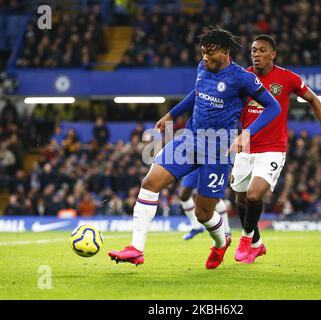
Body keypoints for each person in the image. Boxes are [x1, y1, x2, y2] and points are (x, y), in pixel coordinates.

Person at [108, 28, 281, 269]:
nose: (205, 58)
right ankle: (136, 249)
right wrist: (172, 113)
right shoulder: (203, 68)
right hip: (189, 140)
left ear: (224, 51)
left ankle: (221, 243)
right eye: (202, 53)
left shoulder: (242, 78)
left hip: (218, 149)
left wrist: (247, 133)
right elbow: (198, 93)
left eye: (209, 54)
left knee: (203, 213)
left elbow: (274, 108)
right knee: (149, 183)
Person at [231, 35, 321, 264]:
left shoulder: (287, 78)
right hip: (246, 147)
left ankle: (245, 241)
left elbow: (313, 99)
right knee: (241, 201)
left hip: (273, 148)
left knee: (254, 195)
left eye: (262, 50)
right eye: (253, 50)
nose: (256, 54)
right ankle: (257, 244)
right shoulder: (244, 77)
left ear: (273, 54)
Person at [179, 169, 231, 240]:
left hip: (211, 163)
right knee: (183, 195)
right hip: (193, 164)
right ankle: (196, 227)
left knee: (214, 196)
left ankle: (226, 230)